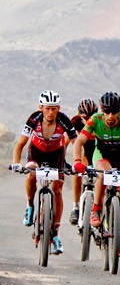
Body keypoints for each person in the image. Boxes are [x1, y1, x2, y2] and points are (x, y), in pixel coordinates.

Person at [11, 90, 78, 255]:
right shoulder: (33, 119)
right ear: (41, 107)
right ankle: (30, 206)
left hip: (57, 154)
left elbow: (77, 143)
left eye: (54, 109)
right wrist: (16, 163)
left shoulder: (64, 120)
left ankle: (55, 233)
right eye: (47, 108)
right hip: (36, 152)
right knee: (32, 173)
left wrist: (77, 162)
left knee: (58, 189)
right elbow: (20, 144)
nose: (50, 112)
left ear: (58, 108)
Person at [72, 92, 120, 259]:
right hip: (102, 156)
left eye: (114, 112)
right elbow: (79, 141)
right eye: (106, 111)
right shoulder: (96, 120)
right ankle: (96, 209)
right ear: (102, 110)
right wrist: (77, 160)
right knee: (105, 174)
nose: (110, 116)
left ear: (119, 110)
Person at [68, 98, 98, 225]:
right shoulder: (75, 122)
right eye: (86, 117)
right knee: (77, 172)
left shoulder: (100, 121)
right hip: (83, 148)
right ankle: (75, 207)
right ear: (80, 115)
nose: (89, 120)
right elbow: (65, 142)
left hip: (96, 149)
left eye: (92, 116)